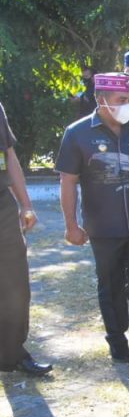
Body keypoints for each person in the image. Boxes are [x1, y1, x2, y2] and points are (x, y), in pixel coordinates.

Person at [56, 73, 129, 366]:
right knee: (110, 286)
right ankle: (117, 343)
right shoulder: (77, 133)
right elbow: (68, 182)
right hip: (103, 229)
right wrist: (71, 225)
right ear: (101, 99)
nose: (128, 105)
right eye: (122, 100)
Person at [0, 100, 52, 377]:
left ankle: (12, 354)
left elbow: (9, 156)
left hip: (2, 208)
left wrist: (26, 205)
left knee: (15, 284)